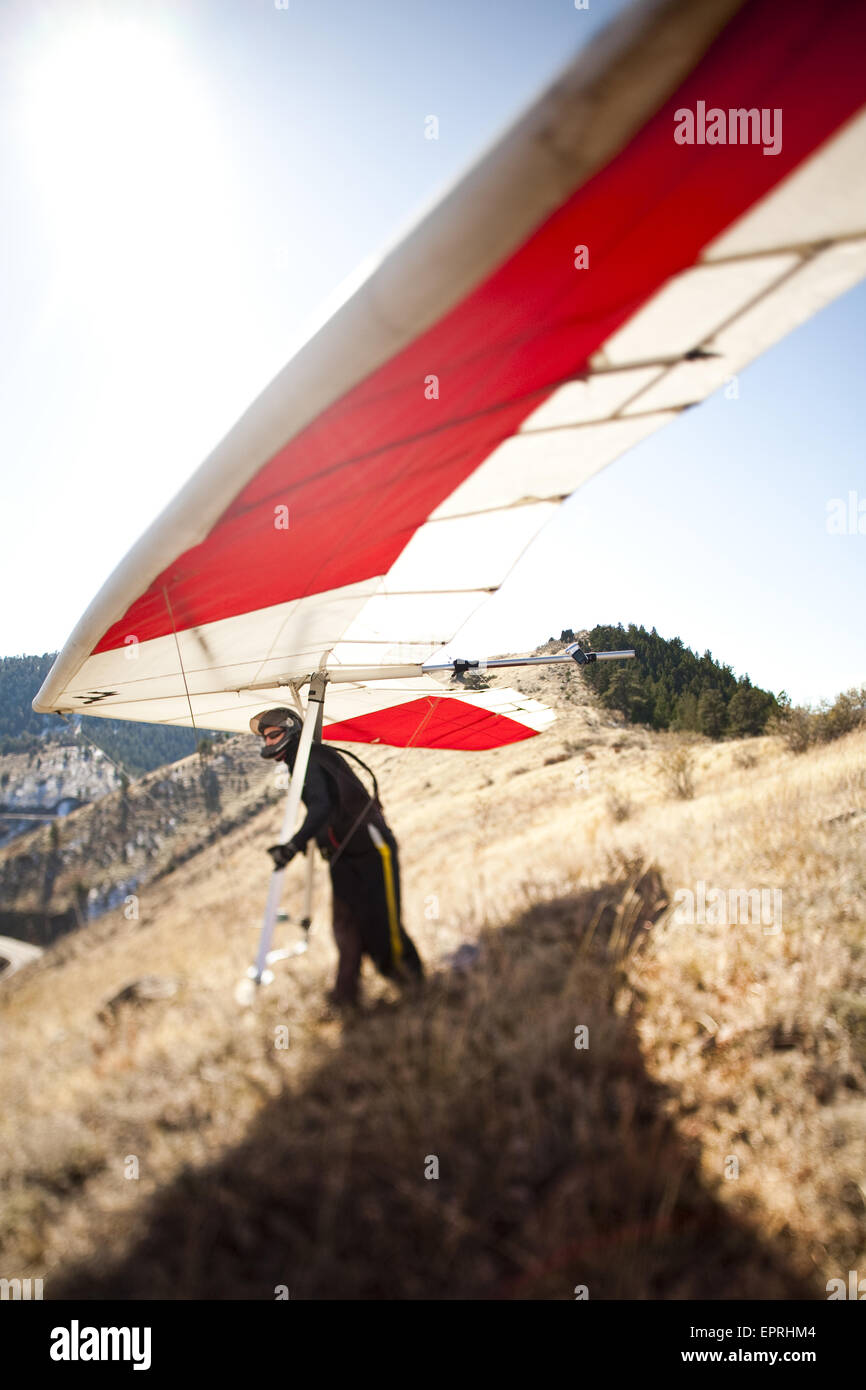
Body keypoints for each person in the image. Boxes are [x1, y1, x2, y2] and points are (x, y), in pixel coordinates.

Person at [250, 707, 424, 1008]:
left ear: (291, 732)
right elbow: (329, 808)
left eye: (273, 735)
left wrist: (293, 845)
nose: (268, 743)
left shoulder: (311, 759)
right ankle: (346, 997)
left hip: (370, 850)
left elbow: (322, 808)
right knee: (346, 926)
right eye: (265, 738)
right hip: (343, 856)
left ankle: (415, 988)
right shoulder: (301, 761)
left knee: (381, 925)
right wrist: (313, 840)